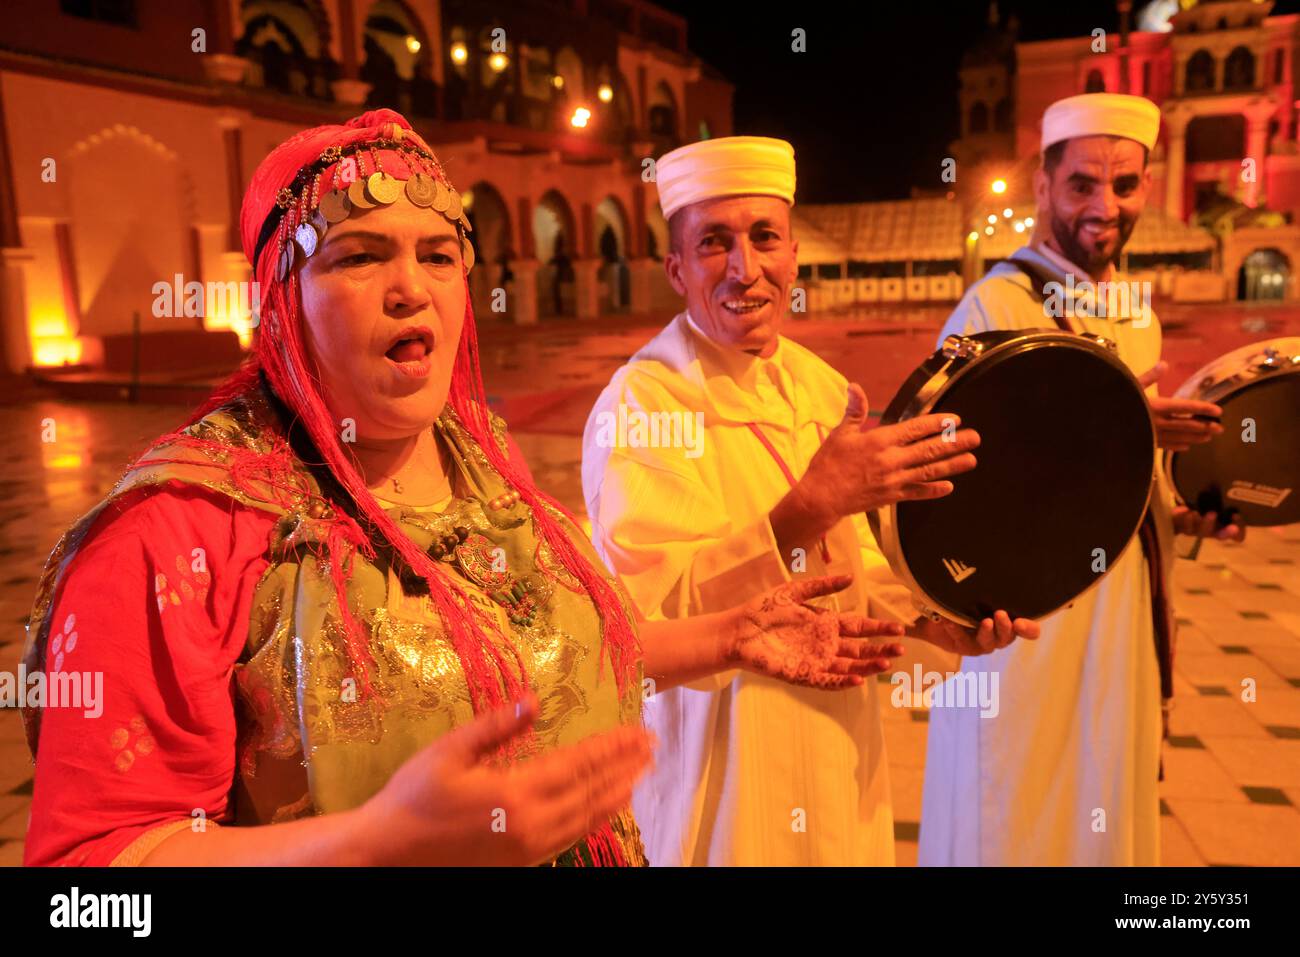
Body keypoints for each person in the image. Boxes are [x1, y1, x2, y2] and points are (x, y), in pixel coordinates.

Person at [19, 110, 909, 867]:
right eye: (360, 257)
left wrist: (728, 636)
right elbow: (95, 885)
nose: (412, 289)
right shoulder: (182, 529)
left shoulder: (476, 460)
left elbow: (537, 651)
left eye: (439, 255)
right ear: (280, 297)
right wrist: (373, 841)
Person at [581, 135, 1039, 867]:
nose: (745, 267)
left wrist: (934, 619)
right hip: (725, 761)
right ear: (675, 268)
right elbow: (644, 628)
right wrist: (810, 505)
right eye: (713, 243)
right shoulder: (643, 404)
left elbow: (854, 564)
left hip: (837, 739)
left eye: (765, 237)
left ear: (794, 254)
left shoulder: (821, 387)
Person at [919, 93, 1244, 867]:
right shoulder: (993, 305)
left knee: (1103, 787)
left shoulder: (1137, 315)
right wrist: (1122, 428)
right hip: (1027, 615)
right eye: (1083, 185)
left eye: (1126, 186)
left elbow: (1137, 479)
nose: (1107, 206)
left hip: (1120, 608)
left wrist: (1187, 509)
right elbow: (946, 471)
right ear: (1042, 188)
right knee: (1015, 798)